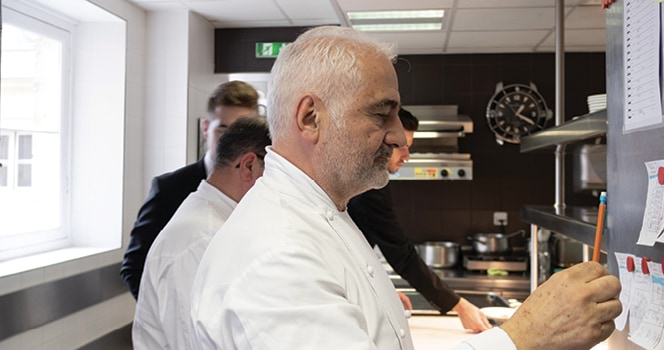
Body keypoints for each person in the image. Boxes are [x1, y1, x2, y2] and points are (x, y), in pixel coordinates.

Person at [190, 26, 621, 350]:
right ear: (310, 118)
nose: (398, 136)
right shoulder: (275, 254)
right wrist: (525, 336)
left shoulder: (325, 213)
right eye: (382, 114)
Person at [133, 116, 271, 350]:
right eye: (273, 172)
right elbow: (193, 342)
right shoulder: (198, 240)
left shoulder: (219, 222)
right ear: (249, 165)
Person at [348, 107, 491, 332]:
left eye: (409, 147)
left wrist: (380, 289)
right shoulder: (368, 189)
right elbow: (402, 255)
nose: (407, 156)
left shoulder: (366, 180)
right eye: (401, 146)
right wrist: (459, 306)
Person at [120, 81, 259, 299]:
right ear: (206, 128)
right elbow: (135, 267)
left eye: (242, 133)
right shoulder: (170, 189)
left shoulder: (261, 189)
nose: (233, 142)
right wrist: (162, 310)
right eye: (224, 130)